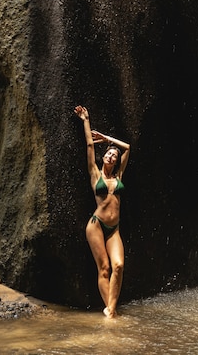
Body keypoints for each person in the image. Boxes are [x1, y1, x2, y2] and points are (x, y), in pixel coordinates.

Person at [74, 105, 130, 318]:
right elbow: (89, 145)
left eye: (114, 156)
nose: (111, 156)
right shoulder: (95, 174)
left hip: (114, 229)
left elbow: (127, 147)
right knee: (104, 269)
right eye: (108, 153)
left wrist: (108, 139)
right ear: (103, 157)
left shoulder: (119, 177)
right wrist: (86, 120)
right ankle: (112, 313)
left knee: (119, 266)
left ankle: (110, 311)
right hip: (96, 225)